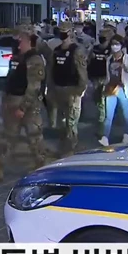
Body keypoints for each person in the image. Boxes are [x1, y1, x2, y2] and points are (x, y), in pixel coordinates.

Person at [0, 24, 48, 181]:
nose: (19, 44)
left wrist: (23, 107)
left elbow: (34, 86)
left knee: (34, 137)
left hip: (25, 104)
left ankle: (42, 167)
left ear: (30, 42)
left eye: (22, 41)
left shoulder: (34, 59)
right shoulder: (19, 57)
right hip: (13, 102)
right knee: (9, 136)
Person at [47, 21, 88, 157]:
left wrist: (79, 91)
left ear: (70, 33)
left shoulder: (77, 50)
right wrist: (50, 89)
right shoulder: (57, 50)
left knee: (71, 122)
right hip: (59, 90)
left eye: (65, 31)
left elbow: (82, 73)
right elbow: (51, 71)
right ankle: (64, 147)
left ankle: (70, 150)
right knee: (61, 123)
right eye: (61, 30)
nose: (62, 33)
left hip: (72, 90)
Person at [98, 35, 128, 146]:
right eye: (113, 44)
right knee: (108, 115)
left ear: (121, 46)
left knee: (125, 114)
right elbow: (108, 75)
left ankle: (127, 135)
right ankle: (105, 137)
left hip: (124, 89)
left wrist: (123, 66)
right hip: (111, 88)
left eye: (117, 44)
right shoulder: (109, 59)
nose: (115, 46)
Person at [87, 27, 112, 137]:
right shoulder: (94, 48)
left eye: (104, 37)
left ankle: (102, 130)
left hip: (105, 79)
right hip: (94, 78)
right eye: (101, 36)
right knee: (97, 102)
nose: (102, 38)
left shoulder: (111, 50)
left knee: (102, 105)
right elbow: (88, 61)